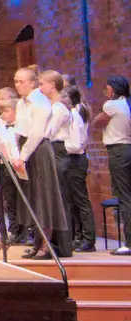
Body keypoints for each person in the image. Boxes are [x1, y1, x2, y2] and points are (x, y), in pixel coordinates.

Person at [14, 66, 71, 258]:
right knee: (33, 197)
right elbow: (19, 130)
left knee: (45, 197)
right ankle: (38, 241)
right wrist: (16, 154)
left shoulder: (40, 103)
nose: (17, 85)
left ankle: (47, 245)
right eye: (15, 81)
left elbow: (37, 133)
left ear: (32, 83)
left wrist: (23, 155)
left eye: (21, 81)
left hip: (38, 150)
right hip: (26, 150)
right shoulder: (21, 103)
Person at [96, 75, 131, 256]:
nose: (105, 90)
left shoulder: (112, 105)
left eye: (107, 87)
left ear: (113, 89)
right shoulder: (128, 104)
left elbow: (96, 123)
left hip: (119, 152)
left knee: (125, 197)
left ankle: (129, 243)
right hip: (129, 149)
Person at [63, 86, 95, 252]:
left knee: (80, 200)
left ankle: (88, 239)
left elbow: (75, 145)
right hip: (73, 159)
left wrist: (60, 147)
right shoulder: (75, 112)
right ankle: (79, 236)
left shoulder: (75, 114)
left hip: (75, 159)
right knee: (72, 201)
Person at [0, 88, 23, 242]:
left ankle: (26, 231)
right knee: (10, 200)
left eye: (7, 111)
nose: (3, 114)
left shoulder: (22, 124)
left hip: (18, 165)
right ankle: (14, 231)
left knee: (22, 199)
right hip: (4, 164)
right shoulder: (0, 122)